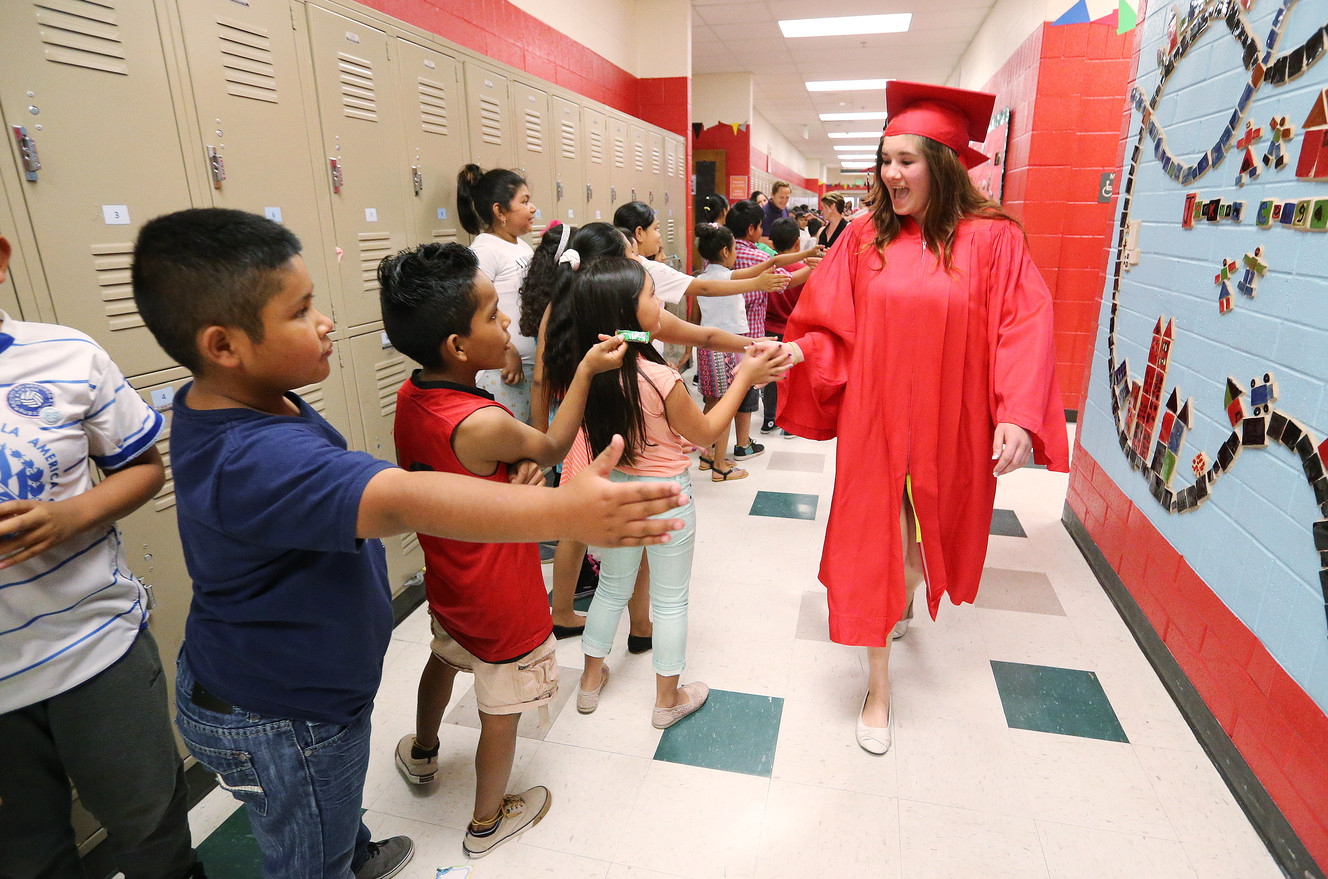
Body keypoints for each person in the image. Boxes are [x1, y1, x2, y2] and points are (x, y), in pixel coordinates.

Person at [130, 208, 688, 879]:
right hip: (285, 713)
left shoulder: (252, 400)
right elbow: (397, 497)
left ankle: (358, 844)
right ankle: (447, 830)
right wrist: (560, 506)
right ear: (225, 345)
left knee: (331, 807)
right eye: (303, 310)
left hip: (294, 679)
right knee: (311, 855)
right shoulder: (253, 456)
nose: (326, 320)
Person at [777, 81, 1070, 756]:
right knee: (869, 551)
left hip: (951, 424)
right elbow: (829, 324)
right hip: (875, 425)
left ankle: (903, 594)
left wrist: (1019, 414)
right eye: (885, 159)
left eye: (906, 160)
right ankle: (878, 686)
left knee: (919, 547)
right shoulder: (862, 238)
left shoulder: (993, 241)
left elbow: (1024, 325)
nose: (890, 173)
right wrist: (796, 348)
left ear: (941, 162)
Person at [378, 242, 626, 858]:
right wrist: (589, 370)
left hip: (450, 581)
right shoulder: (483, 423)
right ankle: (487, 822)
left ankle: (425, 751)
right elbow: (552, 442)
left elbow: (464, 474)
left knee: (443, 660)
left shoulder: (413, 398)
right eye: (492, 314)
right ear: (457, 347)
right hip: (502, 593)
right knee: (502, 705)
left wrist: (508, 472)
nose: (508, 322)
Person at [0, 234, 203, 879]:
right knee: (26, 856)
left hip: (93, 645)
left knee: (150, 828)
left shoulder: (65, 354)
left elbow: (143, 468)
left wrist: (68, 516)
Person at [537, 224, 788, 636]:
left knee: (612, 545)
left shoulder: (618, 328)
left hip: (594, 431)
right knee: (595, 536)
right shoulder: (630, 341)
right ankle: (586, 616)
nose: (640, 260)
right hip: (597, 439)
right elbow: (705, 426)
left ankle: (631, 625)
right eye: (631, 257)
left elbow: (696, 334)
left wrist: (748, 346)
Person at [569, 258, 788, 727]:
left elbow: (700, 338)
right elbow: (708, 430)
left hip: (617, 495)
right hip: (668, 498)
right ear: (629, 313)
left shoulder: (592, 365)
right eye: (652, 296)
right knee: (671, 601)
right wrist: (744, 377)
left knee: (611, 587)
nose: (662, 302)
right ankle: (667, 699)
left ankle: (589, 683)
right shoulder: (659, 378)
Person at [725, 200, 817, 464]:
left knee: (721, 396)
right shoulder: (761, 259)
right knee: (756, 385)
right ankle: (749, 440)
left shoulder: (717, 257)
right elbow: (785, 281)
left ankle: (716, 453)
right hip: (755, 333)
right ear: (753, 229)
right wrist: (811, 268)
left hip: (719, 336)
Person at [458, 164, 537, 424]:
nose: (532, 208)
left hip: (529, 369)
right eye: (524, 202)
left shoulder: (521, 245)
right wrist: (508, 349)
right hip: (503, 371)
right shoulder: (485, 249)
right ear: (500, 211)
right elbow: (474, 309)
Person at [759, 217, 809, 437]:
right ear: (797, 243)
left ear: (772, 243)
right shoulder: (804, 269)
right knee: (791, 374)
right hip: (793, 330)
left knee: (770, 374)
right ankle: (788, 421)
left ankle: (769, 418)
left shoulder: (767, 268)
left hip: (768, 329)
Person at [759, 181, 792, 245]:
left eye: (787, 197)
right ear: (772, 195)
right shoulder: (764, 213)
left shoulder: (784, 210)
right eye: (781, 197)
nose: (784, 201)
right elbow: (762, 240)